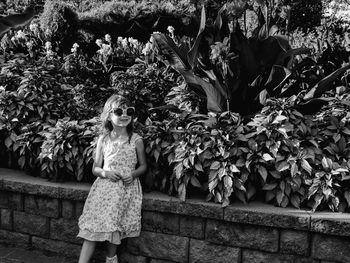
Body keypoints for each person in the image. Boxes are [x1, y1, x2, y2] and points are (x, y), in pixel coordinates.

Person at [77, 94, 147, 263]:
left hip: (125, 188)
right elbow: (95, 167)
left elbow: (143, 166)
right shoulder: (104, 139)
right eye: (118, 111)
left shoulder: (136, 140)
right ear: (109, 115)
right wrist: (105, 173)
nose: (124, 115)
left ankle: (111, 258)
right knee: (93, 224)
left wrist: (133, 174)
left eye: (129, 111)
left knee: (115, 224)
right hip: (103, 189)